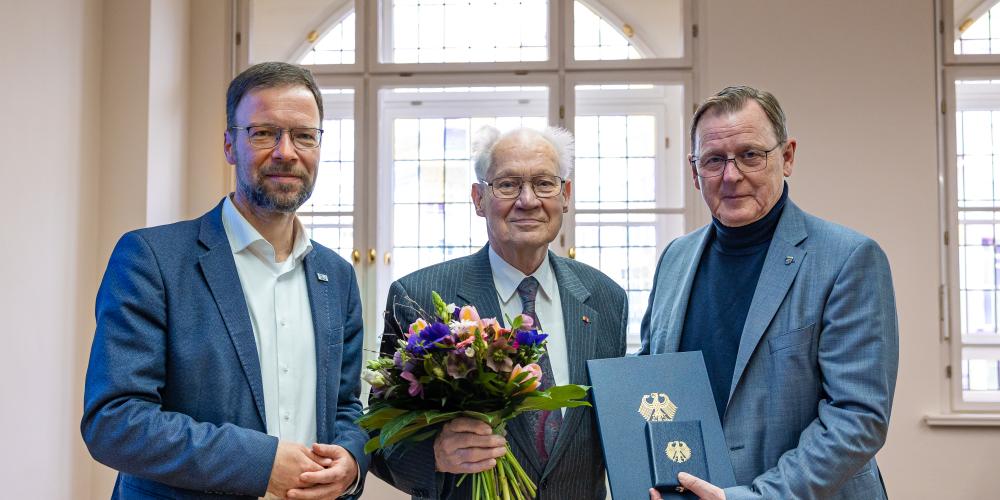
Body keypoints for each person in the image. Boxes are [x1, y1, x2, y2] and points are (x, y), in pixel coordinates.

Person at [81, 62, 368, 500]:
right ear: (230, 145)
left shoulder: (338, 277)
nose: (286, 152)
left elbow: (345, 406)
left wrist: (350, 462)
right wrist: (262, 463)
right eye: (263, 133)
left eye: (304, 135)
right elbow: (115, 421)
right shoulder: (152, 259)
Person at [642, 86, 898, 500]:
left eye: (750, 155)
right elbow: (652, 382)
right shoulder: (675, 258)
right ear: (694, 172)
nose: (731, 175)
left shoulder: (849, 259)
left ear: (788, 157)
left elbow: (857, 417)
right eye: (713, 160)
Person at [370, 126, 628, 499]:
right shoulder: (419, 298)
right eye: (507, 185)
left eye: (544, 183)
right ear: (479, 198)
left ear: (566, 195)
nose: (527, 200)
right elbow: (379, 435)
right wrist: (434, 455)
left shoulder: (606, 300)